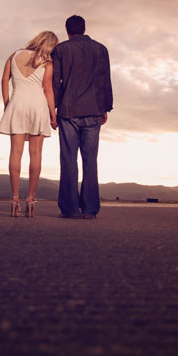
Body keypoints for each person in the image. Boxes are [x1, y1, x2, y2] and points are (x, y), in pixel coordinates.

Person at [51, 15, 113, 219]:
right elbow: (105, 80)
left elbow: (55, 83)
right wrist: (106, 107)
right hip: (94, 110)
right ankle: (89, 210)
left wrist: (54, 108)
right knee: (90, 160)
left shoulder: (60, 50)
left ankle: (69, 210)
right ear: (84, 29)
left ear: (67, 30)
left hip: (68, 111)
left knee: (68, 159)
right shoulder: (101, 49)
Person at [0, 31, 59, 217]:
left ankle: (14, 198)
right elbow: (48, 90)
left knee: (15, 152)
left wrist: (7, 104)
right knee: (36, 153)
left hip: (17, 103)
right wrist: (53, 115)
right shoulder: (47, 63)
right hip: (37, 106)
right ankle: (30, 199)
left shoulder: (14, 55)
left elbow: (4, 81)